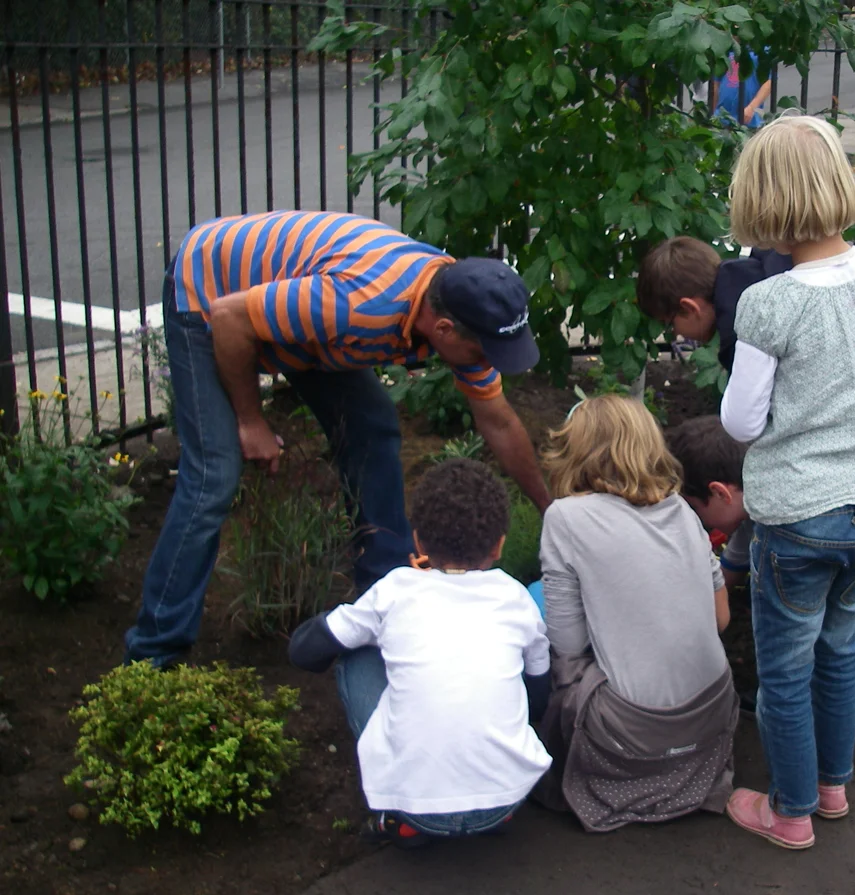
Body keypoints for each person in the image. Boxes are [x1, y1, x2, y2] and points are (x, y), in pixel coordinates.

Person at [125, 211, 551, 668]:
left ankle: (387, 600)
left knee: (372, 427)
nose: (488, 362)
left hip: (288, 310)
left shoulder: (458, 305)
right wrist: (251, 421)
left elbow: (500, 423)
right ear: (443, 331)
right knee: (214, 475)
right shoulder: (360, 306)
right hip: (210, 293)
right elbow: (230, 319)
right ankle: (154, 652)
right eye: (486, 353)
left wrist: (552, 510)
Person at [718, 115, 855, 850]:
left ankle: (790, 810)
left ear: (761, 202)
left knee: (785, 672)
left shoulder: (771, 302)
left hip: (798, 516)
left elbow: (740, 422)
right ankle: (832, 787)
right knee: (840, 652)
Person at [288, 459, 552, 849]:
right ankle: (490, 793)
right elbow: (539, 692)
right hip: (506, 799)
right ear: (499, 544)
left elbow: (303, 651)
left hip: (415, 809)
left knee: (358, 654)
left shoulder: (396, 590)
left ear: (418, 542)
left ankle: (399, 817)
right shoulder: (515, 597)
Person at [532, 395, 738, 832]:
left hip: (630, 736)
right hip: (712, 716)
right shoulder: (682, 509)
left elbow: (567, 646)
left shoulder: (565, 518)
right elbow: (721, 621)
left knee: (554, 653)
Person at [666, 416, 855, 719]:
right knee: (779, 590)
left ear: (720, 494)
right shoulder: (760, 489)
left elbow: (853, 587)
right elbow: (727, 576)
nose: (693, 521)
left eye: (693, 509)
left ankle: (835, 685)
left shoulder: (793, 512)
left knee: (785, 597)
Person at [637, 236, 855, 434]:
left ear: (689, 308)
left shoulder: (742, 317)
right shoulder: (750, 275)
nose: (676, 336)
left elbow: (750, 422)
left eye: (670, 324)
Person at [712, 50, 773, 129]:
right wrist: (712, 112)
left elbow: (769, 82)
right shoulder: (725, 49)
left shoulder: (762, 50)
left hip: (749, 119)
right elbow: (716, 84)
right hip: (722, 117)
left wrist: (752, 107)